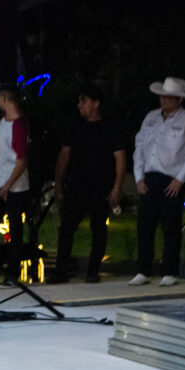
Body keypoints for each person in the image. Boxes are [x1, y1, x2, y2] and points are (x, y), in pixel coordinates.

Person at [49, 83, 126, 284]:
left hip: (100, 185)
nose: (80, 106)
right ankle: (61, 270)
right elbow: (65, 154)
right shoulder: (76, 125)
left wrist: (117, 186)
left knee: (98, 227)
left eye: (84, 101)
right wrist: (58, 181)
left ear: (96, 103)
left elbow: (120, 157)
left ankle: (93, 270)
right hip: (77, 184)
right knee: (67, 227)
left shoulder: (110, 127)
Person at [130, 76, 185, 286]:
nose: (164, 101)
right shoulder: (151, 117)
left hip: (172, 179)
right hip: (149, 177)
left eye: (169, 98)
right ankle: (144, 270)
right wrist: (138, 176)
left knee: (171, 225)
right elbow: (139, 147)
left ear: (179, 99)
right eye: (162, 97)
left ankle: (170, 271)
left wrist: (180, 179)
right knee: (145, 225)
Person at [0, 85, 30, 286]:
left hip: (14, 186)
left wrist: (7, 185)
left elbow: (21, 160)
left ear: (5, 99)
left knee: (15, 229)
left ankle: (13, 271)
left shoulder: (19, 125)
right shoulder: (3, 121)